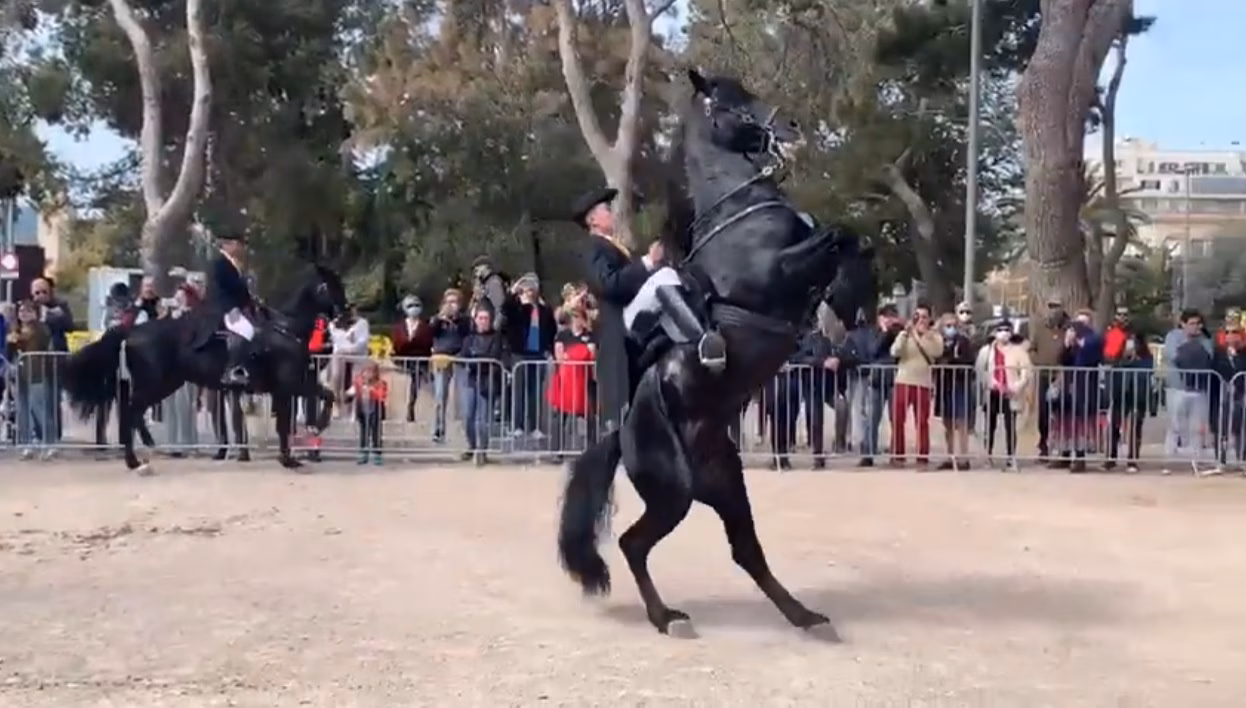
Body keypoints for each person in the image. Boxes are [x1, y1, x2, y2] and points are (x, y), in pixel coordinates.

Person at [574, 186, 726, 430]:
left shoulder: (615, 246)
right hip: (620, 319)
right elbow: (608, 284)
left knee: (671, 284)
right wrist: (647, 262)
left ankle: (698, 343)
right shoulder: (593, 247)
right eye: (605, 209)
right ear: (592, 220)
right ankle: (702, 340)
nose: (611, 213)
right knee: (664, 276)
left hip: (634, 315)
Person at [888, 302, 944, 467]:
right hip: (903, 381)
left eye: (924, 317)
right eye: (917, 316)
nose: (920, 320)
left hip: (923, 383)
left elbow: (936, 352)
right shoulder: (905, 334)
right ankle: (897, 455)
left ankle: (922, 456)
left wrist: (922, 335)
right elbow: (895, 351)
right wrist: (905, 334)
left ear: (929, 319)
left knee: (922, 422)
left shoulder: (935, 336)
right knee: (898, 420)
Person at [504, 273, 556, 438]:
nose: (529, 292)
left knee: (535, 392)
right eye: (526, 289)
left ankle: (534, 426)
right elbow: (507, 309)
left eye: (532, 289)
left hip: (538, 353)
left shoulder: (545, 310)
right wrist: (513, 293)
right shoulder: (519, 309)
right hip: (520, 353)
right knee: (518, 390)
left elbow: (551, 330)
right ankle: (517, 425)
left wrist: (549, 349)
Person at [975, 320, 1032, 470]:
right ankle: (988, 455)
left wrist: (1016, 387)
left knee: (1010, 426)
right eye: (1000, 329)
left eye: (1007, 329)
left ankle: (1011, 457)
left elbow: (1026, 372)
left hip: (1011, 394)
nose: (1004, 332)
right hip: (992, 392)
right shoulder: (986, 351)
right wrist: (992, 383)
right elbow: (981, 370)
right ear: (994, 332)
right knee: (989, 425)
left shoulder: (1019, 351)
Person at [457, 302, 507, 465]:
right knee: (468, 416)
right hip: (471, 380)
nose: (483, 321)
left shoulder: (497, 337)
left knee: (483, 418)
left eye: (486, 318)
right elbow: (463, 356)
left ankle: (482, 450)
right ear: (475, 319)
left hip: (488, 381)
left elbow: (494, 356)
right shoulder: (469, 339)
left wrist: (477, 358)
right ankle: (471, 446)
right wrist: (475, 359)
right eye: (481, 318)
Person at [205, 233, 257, 386]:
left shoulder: (233, 263)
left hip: (238, 307)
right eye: (238, 244)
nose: (241, 248)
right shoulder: (220, 264)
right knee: (247, 330)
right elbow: (219, 289)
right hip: (225, 309)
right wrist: (230, 308)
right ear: (228, 245)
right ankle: (233, 369)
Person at [9, 300, 57, 459]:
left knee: (40, 410)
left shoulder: (41, 329)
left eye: (28, 311)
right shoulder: (15, 331)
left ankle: (50, 444)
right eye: (21, 310)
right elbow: (10, 350)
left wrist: (21, 337)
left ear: (35, 313)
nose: (24, 313)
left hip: (38, 374)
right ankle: (27, 444)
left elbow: (43, 341)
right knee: (23, 410)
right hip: (20, 374)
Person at [429, 288, 469, 443]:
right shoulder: (437, 319)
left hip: (460, 359)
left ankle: (466, 432)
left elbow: (468, 338)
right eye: (449, 302)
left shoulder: (464, 321)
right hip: (442, 358)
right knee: (440, 395)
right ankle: (438, 430)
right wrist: (441, 319)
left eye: (455, 302)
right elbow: (430, 333)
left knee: (463, 396)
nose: (452, 305)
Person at [391, 294, 433, 423]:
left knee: (417, 374)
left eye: (416, 305)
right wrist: (408, 342)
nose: (413, 308)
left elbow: (427, 343)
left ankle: (411, 407)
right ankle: (410, 407)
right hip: (403, 359)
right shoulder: (399, 327)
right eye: (410, 306)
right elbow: (397, 344)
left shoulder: (426, 326)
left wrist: (412, 341)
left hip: (420, 359)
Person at [347, 359, 388, 465]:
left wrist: (372, 390)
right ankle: (363, 453)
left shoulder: (381, 383)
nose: (368, 374)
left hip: (376, 412)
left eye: (371, 371)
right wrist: (349, 393)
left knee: (376, 434)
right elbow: (351, 392)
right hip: (363, 412)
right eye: (366, 371)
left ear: (375, 373)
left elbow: (382, 396)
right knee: (363, 434)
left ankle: (377, 454)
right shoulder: (358, 381)